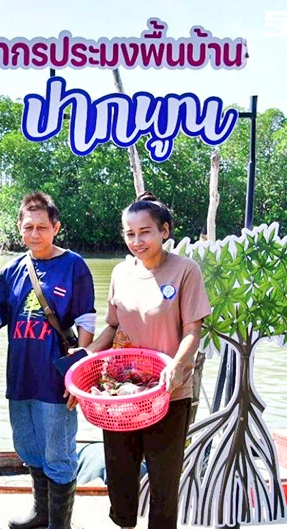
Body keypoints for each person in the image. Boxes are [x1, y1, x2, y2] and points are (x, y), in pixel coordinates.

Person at [0, 192, 95, 529]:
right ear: (20, 227)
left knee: (58, 452)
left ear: (55, 228)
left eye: (42, 227)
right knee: (28, 446)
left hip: (56, 377)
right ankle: (40, 513)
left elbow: (87, 320)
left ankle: (59, 524)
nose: (35, 233)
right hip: (20, 375)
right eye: (28, 227)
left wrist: (79, 370)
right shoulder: (11, 269)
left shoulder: (74, 265)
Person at [76, 191, 211, 529]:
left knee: (165, 479)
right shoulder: (121, 273)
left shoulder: (185, 271)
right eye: (130, 233)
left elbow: (193, 330)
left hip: (168, 392)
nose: (137, 241)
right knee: (120, 473)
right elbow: (112, 327)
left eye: (145, 232)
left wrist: (176, 366)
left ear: (164, 231)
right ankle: (124, 523)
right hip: (122, 393)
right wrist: (86, 356)